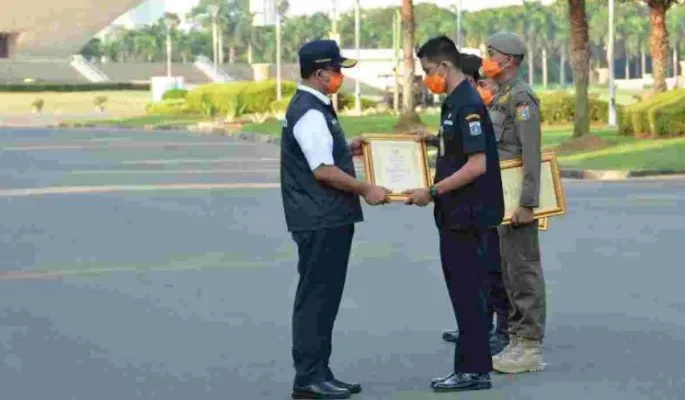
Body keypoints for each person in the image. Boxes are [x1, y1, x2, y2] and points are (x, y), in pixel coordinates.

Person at [280, 39, 391, 399]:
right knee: (318, 299)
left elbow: (325, 155)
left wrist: (347, 147)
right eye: (336, 70)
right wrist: (365, 188)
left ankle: (318, 372)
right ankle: (309, 378)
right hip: (321, 217)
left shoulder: (315, 107)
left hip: (322, 216)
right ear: (319, 73)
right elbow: (323, 171)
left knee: (322, 298)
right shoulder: (311, 111)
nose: (340, 76)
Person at [403, 35, 504, 392]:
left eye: (429, 71)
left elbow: (477, 165)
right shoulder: (454, 102)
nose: (428, 78)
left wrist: (431, 191)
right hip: (455, 215)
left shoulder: (468, 104)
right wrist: (428, 141)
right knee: (464, 293)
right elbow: (456, 148)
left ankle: (473, 371)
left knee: (469, 294)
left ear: (444, 66)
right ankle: (472, 366)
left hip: (469, 215)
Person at [437, 53, 510, 356]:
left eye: (483, 81)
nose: (483, 86)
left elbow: (522, 152)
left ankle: (502, 330)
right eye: (478, 81)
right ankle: (480, 326)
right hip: (478, 192)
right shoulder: (470, 106)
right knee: (483, 268)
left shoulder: (488, 105)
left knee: (496, 268)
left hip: (496, 189)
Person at [481, 32, 546, 374]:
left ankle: (530, 347)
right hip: (500, 200)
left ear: (506, 60)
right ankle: (516, 340)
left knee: (523, 270)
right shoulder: (502, 96)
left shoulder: (521, 98)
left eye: (489, 53)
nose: (485, 58)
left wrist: (528, 202)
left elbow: (530, 153)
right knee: (508, 270)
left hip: (517, 202)